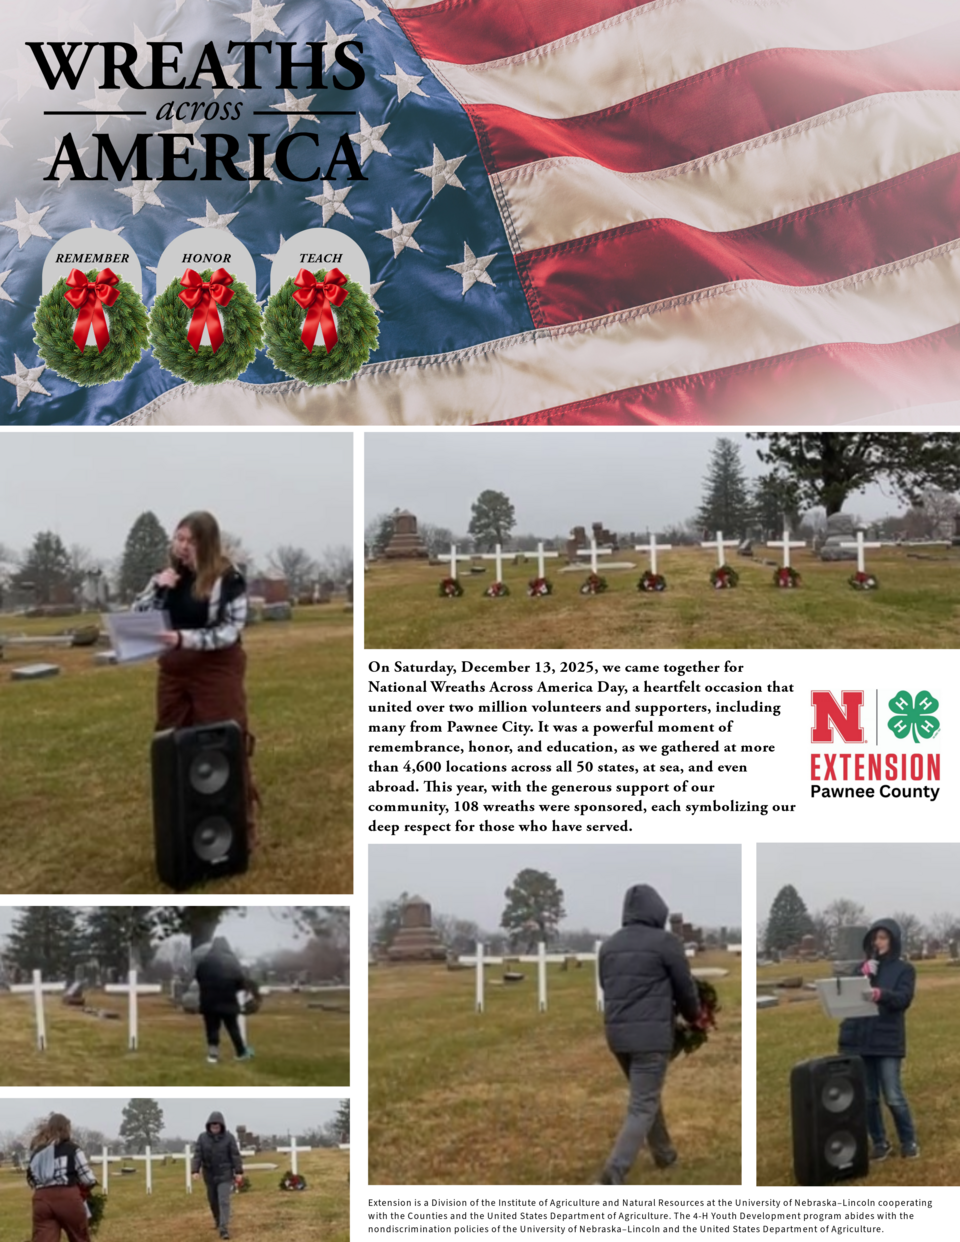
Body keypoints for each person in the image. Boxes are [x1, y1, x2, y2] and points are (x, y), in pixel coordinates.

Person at [134, 510, 260, 847]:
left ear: (207, 543)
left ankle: (240, 829)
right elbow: (138, 621)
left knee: (223, 741)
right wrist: (159, 591)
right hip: (174, 670)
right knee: (171, 740)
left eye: (191, 540)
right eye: (179, 538)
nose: (183, 546)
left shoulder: (227, 578)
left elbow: (229, 632)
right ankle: (185, 820)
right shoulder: (167, 577)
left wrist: (182, 639)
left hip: (216, 668)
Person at [596, 884, 703, 1185]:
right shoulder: (666, 943)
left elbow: (607, 986)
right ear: (657, 912)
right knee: (643, 1103)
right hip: (651, 1037)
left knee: (646, 1095)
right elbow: (684, 987)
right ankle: (613, 1173)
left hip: (617, 1036)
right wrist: (695, 1016)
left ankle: (664, 1154)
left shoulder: (609, 946)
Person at [838, 918, 918, 1160]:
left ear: (892, 941)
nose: (878, 942)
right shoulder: (863, 969)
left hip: (887, 1040)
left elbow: (903, 999)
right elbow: (847, 998)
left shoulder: (905, 970)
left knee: (893, 1095)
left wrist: (880, 993)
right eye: (875, 938)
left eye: (882, 938)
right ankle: (880, 1142)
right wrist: (860, 978)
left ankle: (908, 1140)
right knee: (869, 1097)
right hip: (862, 1039)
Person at [26, 1113, 97, 1242]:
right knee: (79, 1237)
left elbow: (32, 1179)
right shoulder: (73, 1149)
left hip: (41, 1199)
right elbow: (88, 1179)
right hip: (67, 1197)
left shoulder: (37, 1153)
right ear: (66, 1129)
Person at [195, 937, 255, 1063]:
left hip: (209, 1001)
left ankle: (213, 1055)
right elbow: (240, 981)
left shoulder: (204, 961)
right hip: (228, 1000)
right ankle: (241, 1052)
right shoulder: (233, 961)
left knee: (212, 1028)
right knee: (233, 1027)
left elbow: (198, 977)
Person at [191, 1111, 244, 1240]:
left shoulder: (229, 1138)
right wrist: (195, 1170)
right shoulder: (202, 1138)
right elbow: (198, 1155)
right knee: (213, 1201)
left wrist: (238, 1172)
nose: (215, 1127)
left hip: (225, 1174)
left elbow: (235, 1155)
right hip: (209, 1175)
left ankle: (224, 1228)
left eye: (217, 1125)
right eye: (212, 1125)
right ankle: (217, 1220)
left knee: (224, 1200)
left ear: (221, 1126)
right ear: (209, 1125)